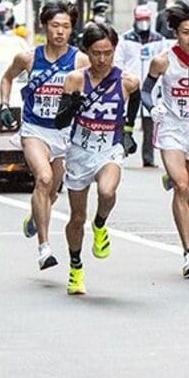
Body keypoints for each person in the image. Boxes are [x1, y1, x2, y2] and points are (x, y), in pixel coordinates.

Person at [52, 22, 140, 295]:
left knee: (107, 190)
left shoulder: (127, 80)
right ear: (87, 52)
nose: (102, 59)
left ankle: (100, 224)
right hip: (79, 150)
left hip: (108, 149)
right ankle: (75, 267)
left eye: (108, 53)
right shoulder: (75, 79)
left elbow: (135, 101)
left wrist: (127, 131)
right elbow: (59, 122)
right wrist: (72, 106)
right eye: (96, 53)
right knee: (77, 217)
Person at [0, 0, 87, 271]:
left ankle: (37, 217)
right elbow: (6, 78)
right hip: (35, 129)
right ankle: (44, 247)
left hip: (65, 133)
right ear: (44, 27)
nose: (60, 32)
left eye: (66, 27)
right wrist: (4, 104)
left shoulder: (80, 60)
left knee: (52, 192)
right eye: (54, 26)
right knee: (44, 179)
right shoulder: (27, 57)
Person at [144, 0, 189, 278]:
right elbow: (146, 90)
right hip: (172, 129)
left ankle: (173, 178)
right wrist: (154, 107)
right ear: (176, 32)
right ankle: (188, 252)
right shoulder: (163, 60)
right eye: (186, 32)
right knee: (182, 188)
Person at [114, 4, 167, 167]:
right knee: (125, 120)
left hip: (150, 87)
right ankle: (120, 152)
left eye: (146, 20)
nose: (143, 23)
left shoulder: (158, 40)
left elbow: (163, 61)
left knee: (149, 123)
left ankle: (148, 157)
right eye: (140, 20)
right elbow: (118, 62)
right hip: (130, 85)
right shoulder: (125, 39)